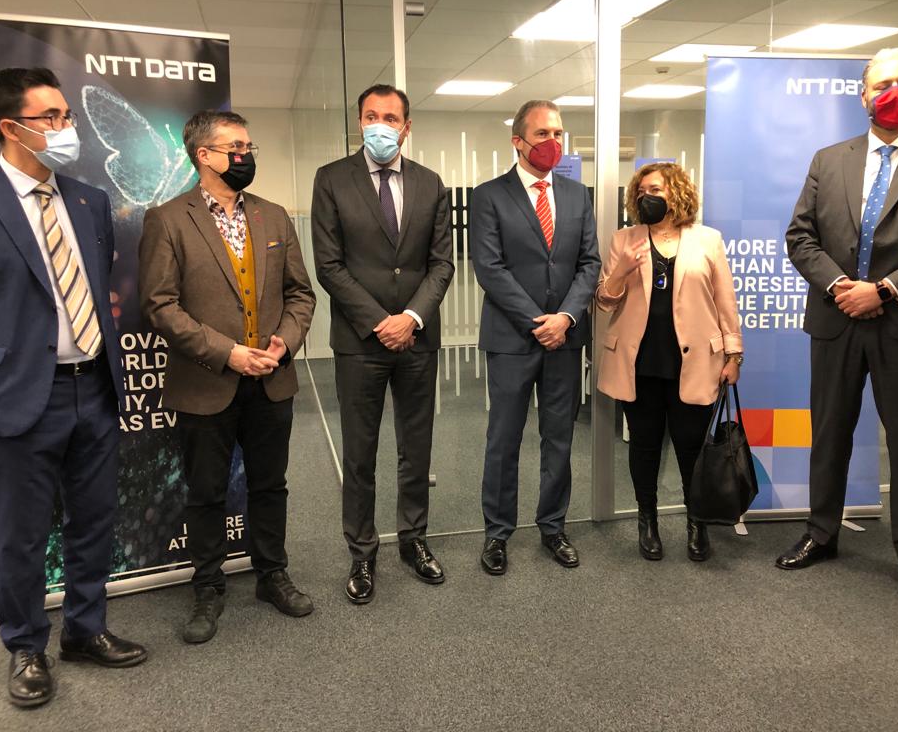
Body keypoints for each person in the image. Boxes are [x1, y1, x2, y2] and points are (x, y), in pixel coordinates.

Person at [0, 67, 146, 708]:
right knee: (22, 533)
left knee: (95, 520)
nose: (67, 128)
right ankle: (26, 646)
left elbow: (98, 285)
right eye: (52, 117)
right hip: (16, 397)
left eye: (67, 115)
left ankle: (85, 630)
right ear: (11, 127)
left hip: (94, 387)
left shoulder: (88, 200)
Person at [780, 48, 898, 603]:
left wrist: (884, 290)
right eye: (883, 83)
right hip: (837, 318)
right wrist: (842, 287)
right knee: (829, 434)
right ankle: (821, 533)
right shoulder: (828, 159)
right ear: (863, 94)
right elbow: (800, 237)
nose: (894, 92)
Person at [139, 110, 316, 642]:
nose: (245, 155)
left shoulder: (273, 216)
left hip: (271, 381)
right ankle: (208, 588)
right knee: (206, 492)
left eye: (248, 146)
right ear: (204, 155)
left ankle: (271, 574)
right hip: (205, 381)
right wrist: (228, 353)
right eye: (235, 147)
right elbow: (160, 306)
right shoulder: (168, 220)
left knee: (270, 485)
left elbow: (300, 293)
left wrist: (286, 342)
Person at [311, 84, 454, 604]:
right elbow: (329, 266)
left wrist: (411, 318)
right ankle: (362, 553)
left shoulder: (431, 183)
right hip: (360, 341)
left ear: (406, 127)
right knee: (360, 452)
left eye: (390, 118)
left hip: (417, 338)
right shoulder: (331, 179)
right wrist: (379, 322)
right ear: (359, 122)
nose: (380, 125)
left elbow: (442, 263)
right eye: (371, 116)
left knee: (416, 448)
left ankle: (413, 540)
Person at [471, 100, 601, 575]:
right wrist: (537, 321)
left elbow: (590, 263)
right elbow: (490, 268)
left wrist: (564, 317)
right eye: (543, 134)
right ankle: (497, 533)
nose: (553, 142)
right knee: (503, 439)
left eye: (558, 133)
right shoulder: (489, 196)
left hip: (564, 339)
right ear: (518, 141)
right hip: (511, 339)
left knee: (559, 438)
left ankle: (553, 526)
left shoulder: (577, 195)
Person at [596, 162, 742, 562]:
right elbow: (604, 301)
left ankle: (697, 523)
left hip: (695, 363)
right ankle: (647, 521)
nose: (648, 197)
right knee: (644, 447)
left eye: (656, 189)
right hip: (639, 362)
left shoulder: (708, 240)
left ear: (676, 193)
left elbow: (725, 302)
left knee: (691, 448)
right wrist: (621, 270)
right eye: (642, 191)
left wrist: (734, 354)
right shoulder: (624, 239)